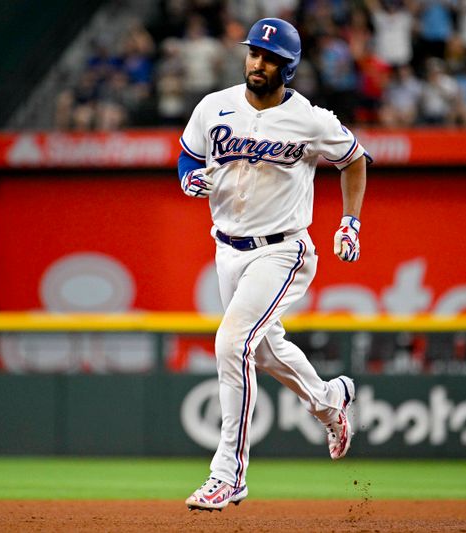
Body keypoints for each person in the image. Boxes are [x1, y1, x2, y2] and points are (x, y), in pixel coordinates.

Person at [177, 17, 369, 511]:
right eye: (254, 54)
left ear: (289, 67)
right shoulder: (213, 106)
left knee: (231, 343)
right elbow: (187, 154)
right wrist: (187, 179)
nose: (258, 63)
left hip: (284, 248)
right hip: (227, 249)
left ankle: (228, 474)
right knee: (261, 351)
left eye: (270, 59)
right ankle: (330, 401)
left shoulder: (309, 119)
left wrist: (350, 220)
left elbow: (354, 158)